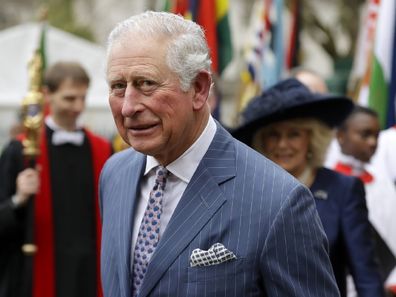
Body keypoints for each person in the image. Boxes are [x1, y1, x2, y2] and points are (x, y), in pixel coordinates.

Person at [99, 11, 340, 297]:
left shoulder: (278, 200)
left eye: (146, 84)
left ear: (199, 89)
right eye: (118, 86)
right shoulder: (115, 174)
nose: (128, 107)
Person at [233, 78, 385, 297]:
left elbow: (366, 275)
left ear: (312, 139)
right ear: (261, 142)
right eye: (273, 135)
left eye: (294, 134)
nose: (283, 144)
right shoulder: (247, 191)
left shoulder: (343, 189)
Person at [0, 61, 112, 297]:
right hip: (36, 274)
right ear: (47, 95)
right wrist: (19, 199)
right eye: (70, 98)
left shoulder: (102, 149)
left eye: (83, 98)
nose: (78, 106)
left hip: (89, 273)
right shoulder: (20, 151)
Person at [333, 106, 396, 295]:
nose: (372, 142)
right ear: (341, 136)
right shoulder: (328, 186)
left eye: (376, 136)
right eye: (364, 134)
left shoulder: (382, 182)